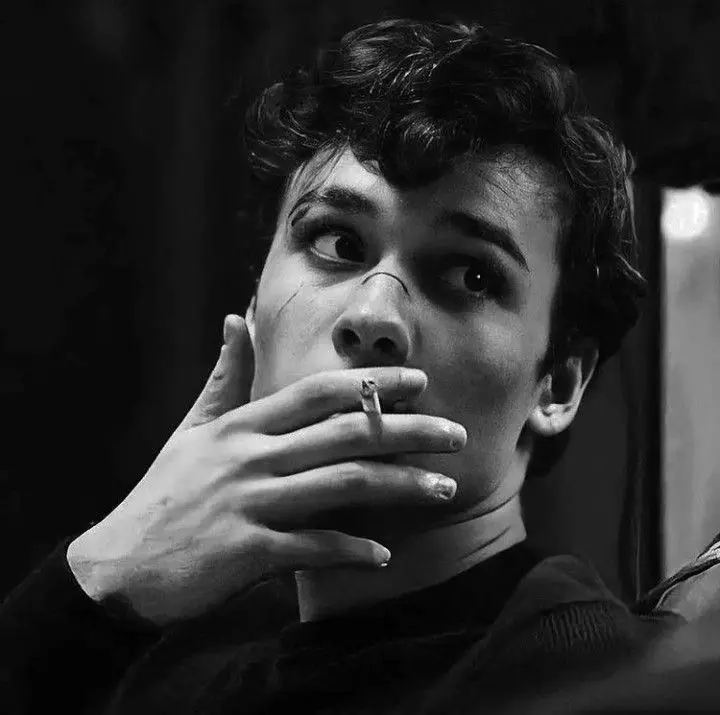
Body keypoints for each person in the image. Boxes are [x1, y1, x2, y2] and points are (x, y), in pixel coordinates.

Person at [0, 17, 670, 715]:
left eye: (470, 276)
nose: (374, 316)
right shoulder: (170, 656)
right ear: (254, 304)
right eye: (339, 242)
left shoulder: (608, 684)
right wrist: (100, 575)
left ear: (558, 384)